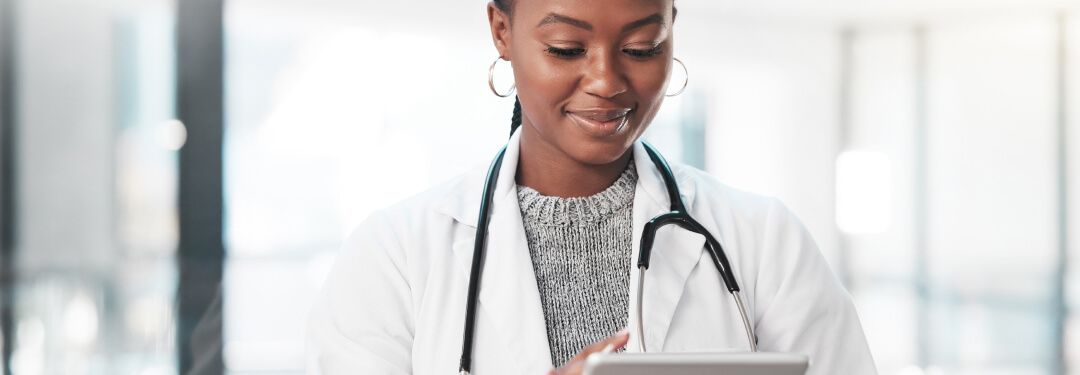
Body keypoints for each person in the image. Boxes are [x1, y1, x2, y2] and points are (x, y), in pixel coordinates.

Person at [306, 0, 877, 374]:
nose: (606, 81)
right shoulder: (394, 257)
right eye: (566, 48)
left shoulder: (762, 240)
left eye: (642, 47)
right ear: (502, 31)